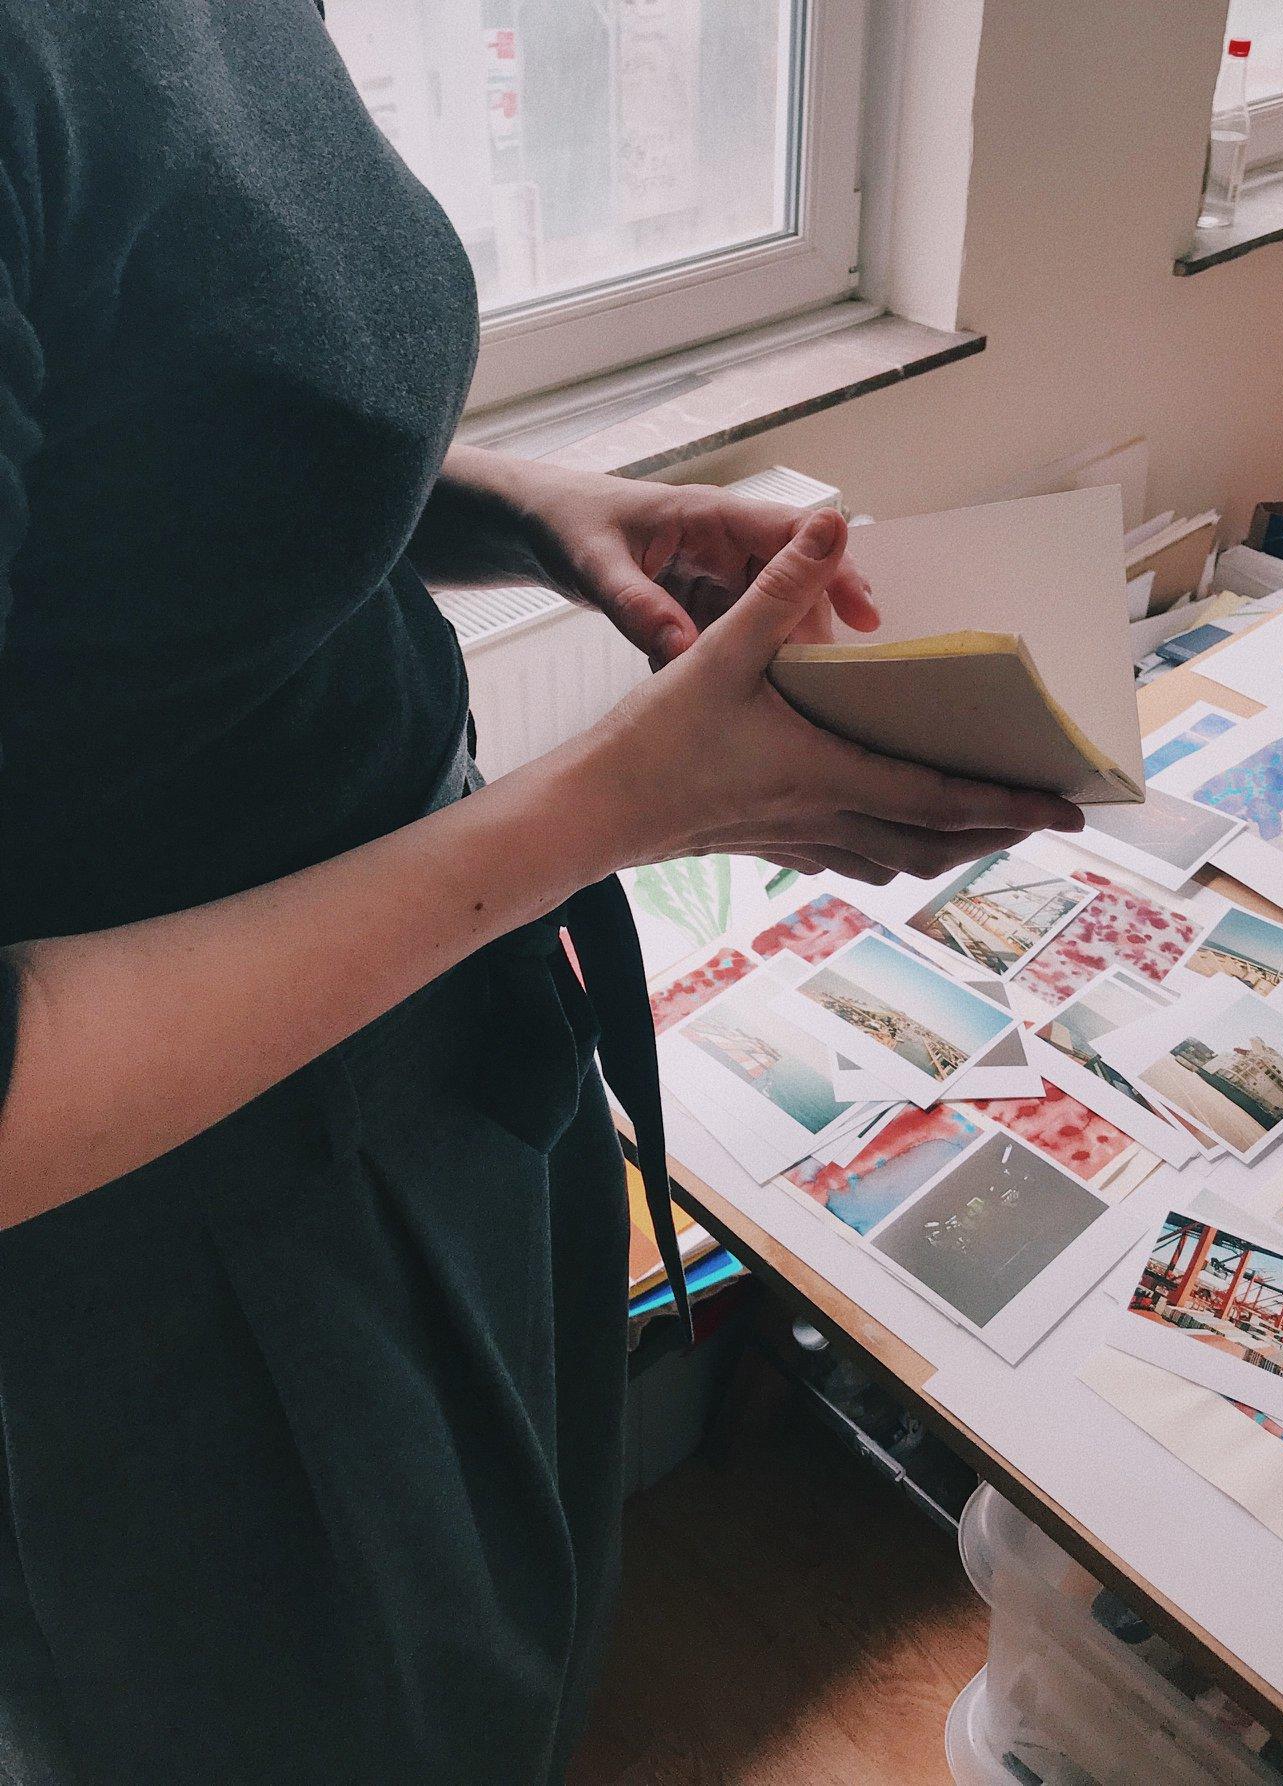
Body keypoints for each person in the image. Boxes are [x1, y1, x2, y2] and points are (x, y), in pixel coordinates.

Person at [0, 4, 1083, 1782]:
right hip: (163, 1262)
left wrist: (527, 507)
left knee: (507, 1681)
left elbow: (147, 444)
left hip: (438, 1050)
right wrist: (617, 808)